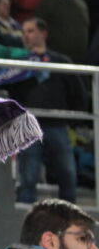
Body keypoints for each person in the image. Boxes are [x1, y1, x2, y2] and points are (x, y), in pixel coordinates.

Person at [7, 17, 86, 205]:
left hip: (57, 124)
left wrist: (72, 121)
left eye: (30, 31)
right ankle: (26, 217)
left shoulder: (61, 62)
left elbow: (78, 93)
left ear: (43, 33)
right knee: (28, 177)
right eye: (24, 32)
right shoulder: (18, 64)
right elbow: (10, 94)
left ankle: (69, 215)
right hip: (28, 126)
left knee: (67, 174)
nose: (26, 35)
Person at [34, 0, 90, 64]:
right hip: (55, 62)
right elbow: (37, 31)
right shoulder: (48, 3)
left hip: (79, 62)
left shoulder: (82, 4)